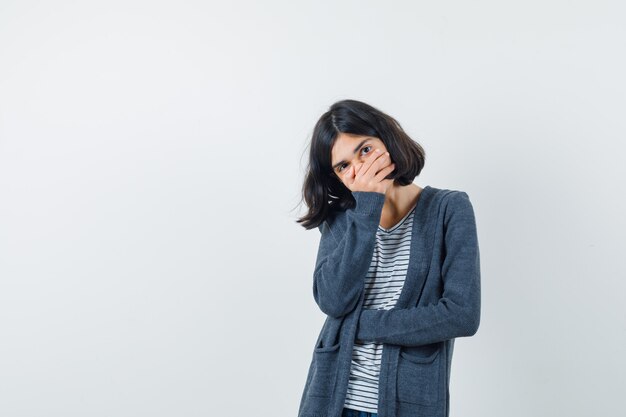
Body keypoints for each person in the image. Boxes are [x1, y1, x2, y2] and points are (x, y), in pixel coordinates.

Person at [296, 99, 481, 417]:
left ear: (386, 139)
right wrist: (367, 207)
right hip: (331, 400)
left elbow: (461, 315)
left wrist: (363, 324)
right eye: (343, 166)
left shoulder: (450, 208)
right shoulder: (341, 220)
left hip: (407, 402)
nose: (360, 168)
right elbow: (333, 301)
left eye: (364, 150)